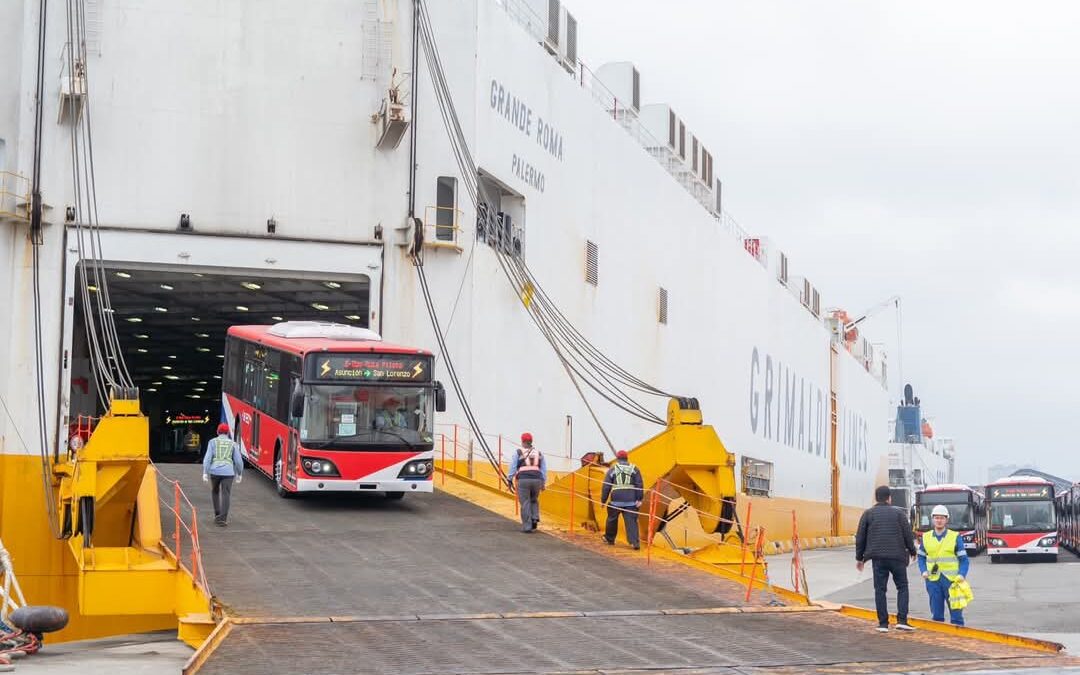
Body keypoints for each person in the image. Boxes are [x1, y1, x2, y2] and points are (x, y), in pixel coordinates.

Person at [855, 485, 918, 633]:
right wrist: (912, 550)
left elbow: (860, 537)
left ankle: (883, 624)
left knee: (880, 590)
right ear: (889, 498)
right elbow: (908, 534)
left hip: (878, 558)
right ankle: (902, 621)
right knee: (902, 587)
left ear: (876, 498)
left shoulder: (868, 514)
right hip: (897, 557)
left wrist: (860, 558)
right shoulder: (899, 514)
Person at [917, 504, 970, 626]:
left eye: (942, 518)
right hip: (933, 580)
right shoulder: (926, 537)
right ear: (932, 519)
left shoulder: (955, 537)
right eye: (936, 518)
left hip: (952, 581)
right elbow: (921, 557)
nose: (939, 520)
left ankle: (958, 640)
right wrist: (923, 570)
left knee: (956, 615)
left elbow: (964, 560)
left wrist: (962, 574)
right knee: (937, 616)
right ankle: (938, 641)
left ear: (947, 519)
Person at [202, 423, 244, 527]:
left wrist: (205, 472)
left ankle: (217, 514)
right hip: (228, 472)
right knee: (226, 494)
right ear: (228, 433)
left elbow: (207, 458)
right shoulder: (233, 444)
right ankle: (223, 518)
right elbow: (238, 461)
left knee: (215, 491)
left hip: (214, 471)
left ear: (217, 431)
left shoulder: (212, 442)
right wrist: (239, 473)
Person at [601, 450, 644, 550]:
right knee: (631, 521)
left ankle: (609, 539)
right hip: (631, 501)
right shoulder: (634, 469)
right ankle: (634, 543)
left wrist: (603, 500)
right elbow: (639, 484)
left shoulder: (613, 469)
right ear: (627, 458)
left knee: (612, 519)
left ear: (617, 458)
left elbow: (606, 486)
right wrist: (639, 499)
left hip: (616, 500)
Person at [506, 432, 546, 533]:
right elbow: (543, 469)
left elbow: (513, 467)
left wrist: (509, 479)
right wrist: (543, 482)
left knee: (525, 503)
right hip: (537, 479)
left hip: (523, 480)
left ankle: (527, 526)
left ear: (522, 441)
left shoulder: (518, 452)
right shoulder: (539, 453)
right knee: (534, 499)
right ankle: (535, 518)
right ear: (531, 441)